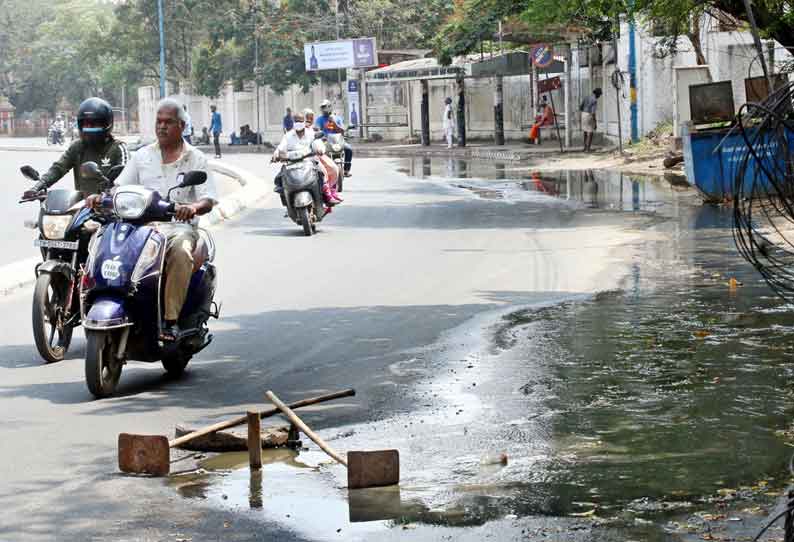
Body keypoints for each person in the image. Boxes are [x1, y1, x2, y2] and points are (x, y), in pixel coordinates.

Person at [110, 98, 218, 341]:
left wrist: (192, 207)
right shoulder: (141, 156)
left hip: (179, 229)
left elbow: (208, 199)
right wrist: (102, 198)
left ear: (181, 125)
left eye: (168, 122)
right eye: (159, 122)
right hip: (143, 228)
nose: (162, 127)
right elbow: (119, 187)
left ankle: (170, 321)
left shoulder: (196, 158)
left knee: (180, 252)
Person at [22, 97, 129, 199]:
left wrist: (111, 192)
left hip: (109, 208)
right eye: (86, 124)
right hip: (82, 207)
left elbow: (127, 174)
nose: (89, 128)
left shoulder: (118, 148)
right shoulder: (78, 147)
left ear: (107, 123)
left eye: (94, 124)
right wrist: (38, 186)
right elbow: (58, 168)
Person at [273, 112, 341, 206]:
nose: (298, 123)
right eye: (296, 121)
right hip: (292, 164)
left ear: (304, 122)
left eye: (300, 121)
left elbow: (317, 143)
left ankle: (328, 195)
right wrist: (276, 155)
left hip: (309, 161)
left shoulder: (310, 133)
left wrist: (320, 149)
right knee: (279, 180)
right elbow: (280, 148)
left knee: (322, 172)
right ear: (293, 123)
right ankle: (288, 201)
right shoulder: (288, 136)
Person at [315, 99, 353, 177]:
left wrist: (334, 122)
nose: (324, 109)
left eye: (325, 107)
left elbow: (341, 130)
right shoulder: (319, 119)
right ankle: (321, 171)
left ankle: (346, 170)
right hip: (326, 141)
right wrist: (319, 131)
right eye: (322, 107)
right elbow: (317, 128)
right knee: (318, 151)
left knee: (349, 149)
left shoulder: (337, 118)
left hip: (338, 141)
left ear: (330, 107)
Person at [580, 88, 602, 152]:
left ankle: (584, 147)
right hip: (589, 115)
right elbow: (593, 113)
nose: (599, 96)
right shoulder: (594, 100)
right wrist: (595, 122)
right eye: (599, 95)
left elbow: (580, 107)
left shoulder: (586, 97)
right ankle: (588, 149)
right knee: (590, 132)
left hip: (583, 114)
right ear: (597, 94)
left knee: (585, 131)